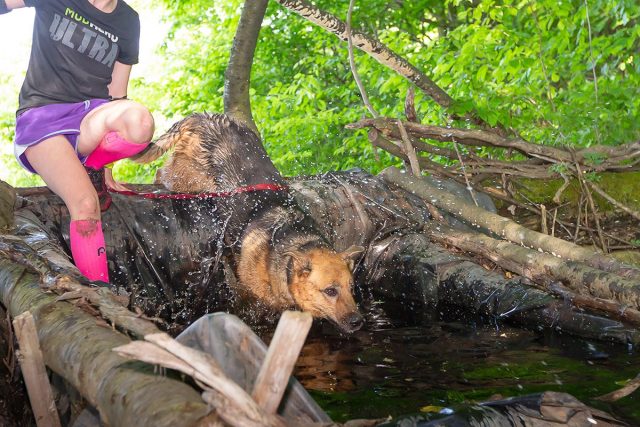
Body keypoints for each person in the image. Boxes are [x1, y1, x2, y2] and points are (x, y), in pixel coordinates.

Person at [1, 0, 154, 283]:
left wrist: (107, 166)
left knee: (140, 122)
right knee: (85, 204)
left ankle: (92, 166)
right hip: (42, 119)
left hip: (90, 120)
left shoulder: (128, 20)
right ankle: (99, 300)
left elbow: (118, 94)